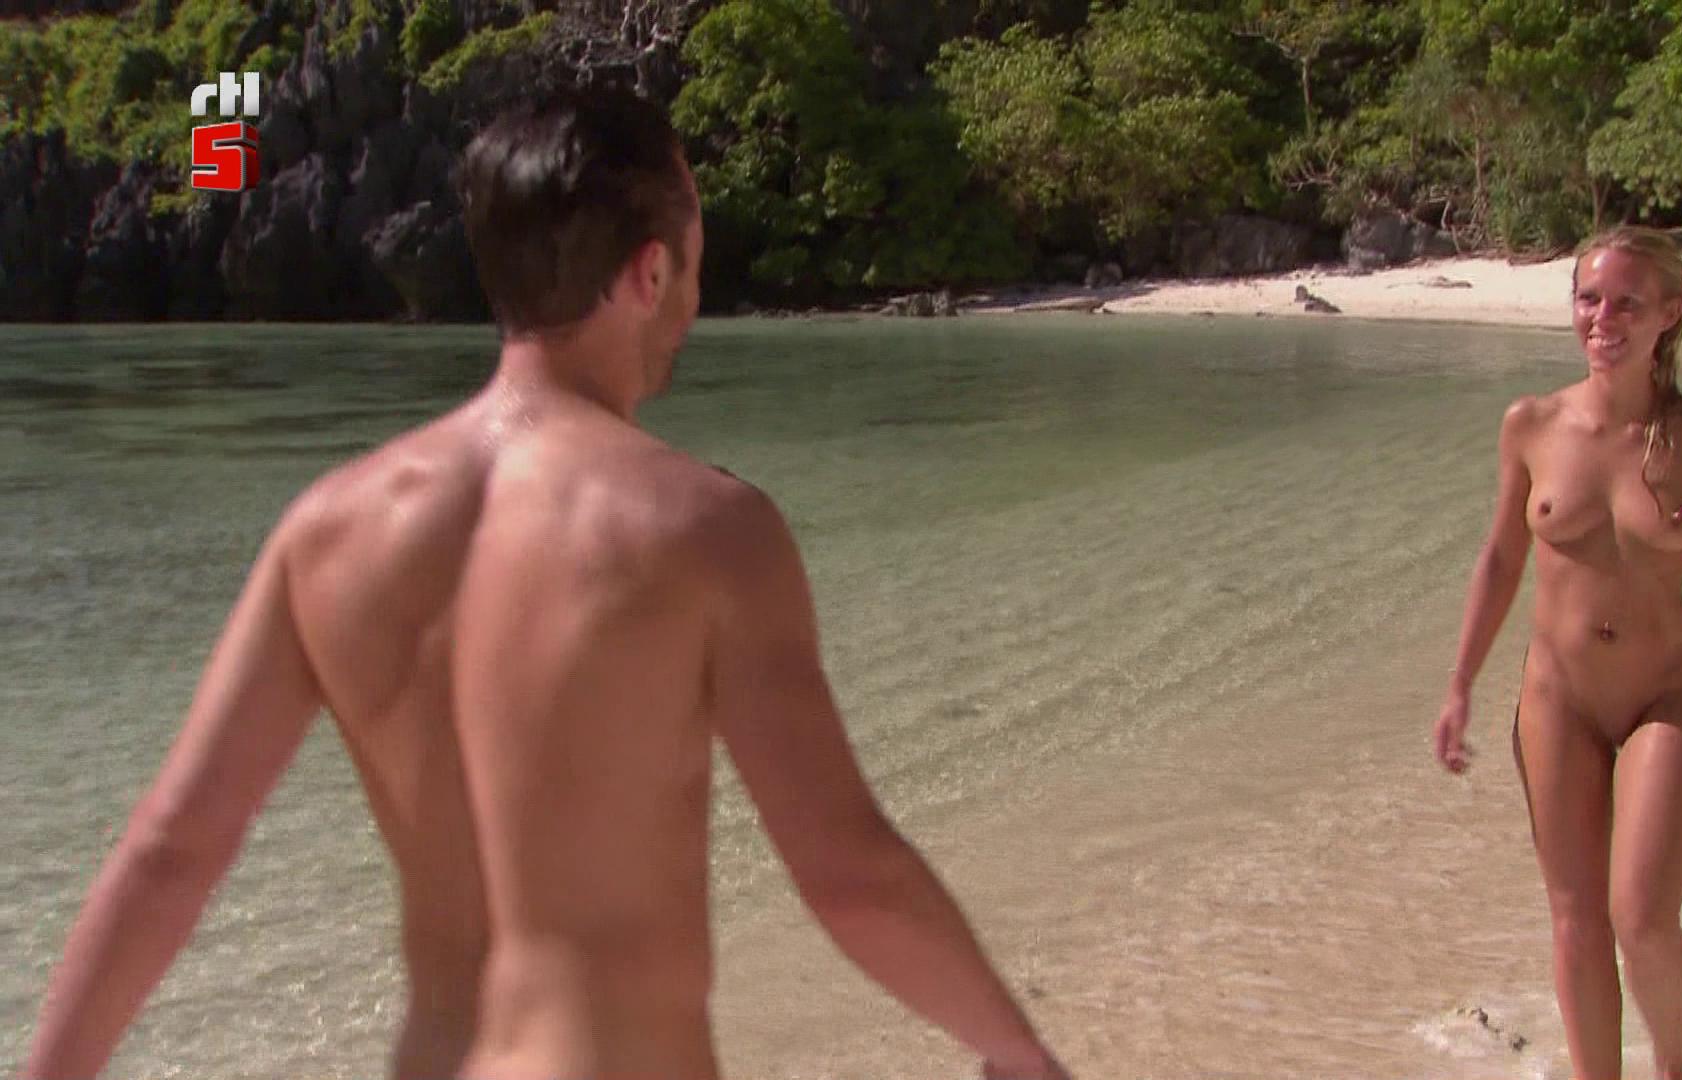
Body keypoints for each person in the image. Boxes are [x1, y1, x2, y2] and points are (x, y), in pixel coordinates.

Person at [24, 88, 1067, 1080]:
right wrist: (1015, 1048)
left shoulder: (327, 532)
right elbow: (848, 873)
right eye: (695, 258)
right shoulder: (704, 530)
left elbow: (173, 851)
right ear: (649, 274)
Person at [1432, 226, 1682, 1080]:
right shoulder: (1531, 424)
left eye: (1626, 303)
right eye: (1588, 299)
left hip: (1666, 696)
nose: (1602, 319)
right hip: (1557, 701)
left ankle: (1674, 1067)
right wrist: (1459, 685)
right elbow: (1500, 560)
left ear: (1669, 313)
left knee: (1640, 917)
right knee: (1575, 921)